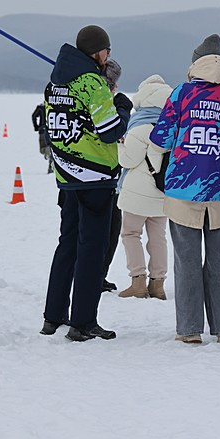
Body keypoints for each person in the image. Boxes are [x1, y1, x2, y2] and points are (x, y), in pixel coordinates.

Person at [150, 34, 220, 344]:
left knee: (187, 260)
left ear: (195, 64)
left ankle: (190, 329)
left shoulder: (181, 94)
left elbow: (160, 139)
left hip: (183, 190)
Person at [40, 25, 131, 342]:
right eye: (107, 50)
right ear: (97, 51)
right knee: (92, 250)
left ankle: (53, 316)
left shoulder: (55, 85)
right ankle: (83, 322)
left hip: (67, 177)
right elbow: (109, 131)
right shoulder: (92, 83)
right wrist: (122, 107)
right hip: (94, 177)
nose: (109, 55)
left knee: (67, 244)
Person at [117, 74, 174, 300]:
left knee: (131, 233)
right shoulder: (171, 127)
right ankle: (158, 284)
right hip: (162, 193)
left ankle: (138, 281)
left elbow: (127, 161)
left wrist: (120, 146)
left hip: (137, 195)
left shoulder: (139, 127)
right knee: (158, 237)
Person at [99, 58, 126, 293]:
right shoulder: (103, 101)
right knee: (106, 232)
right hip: (104, 177)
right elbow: (113, 133)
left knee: (111, 231)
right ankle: (94, 274)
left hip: (110, 178)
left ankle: (99, 274)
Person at [31, 103, 53, 173]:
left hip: (43, 130)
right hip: (52, 131)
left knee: (43, 149)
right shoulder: (53, 106)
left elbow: (34, 116)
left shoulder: (41, 107)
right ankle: (49, 155)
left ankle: (49, 157)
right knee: (47, 149)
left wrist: (36, 127)